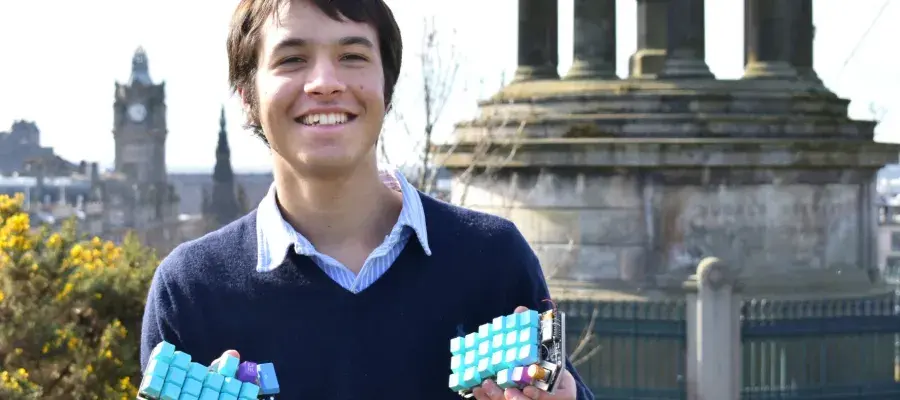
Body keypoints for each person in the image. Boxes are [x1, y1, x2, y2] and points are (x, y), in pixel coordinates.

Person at [139, 1, 595, 399]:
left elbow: (558, 384)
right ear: (247, 96)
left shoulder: (494, 258)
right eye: (293, 58)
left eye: (352, 55)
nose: (324, 82)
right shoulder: (190, 290)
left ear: (387, 87)